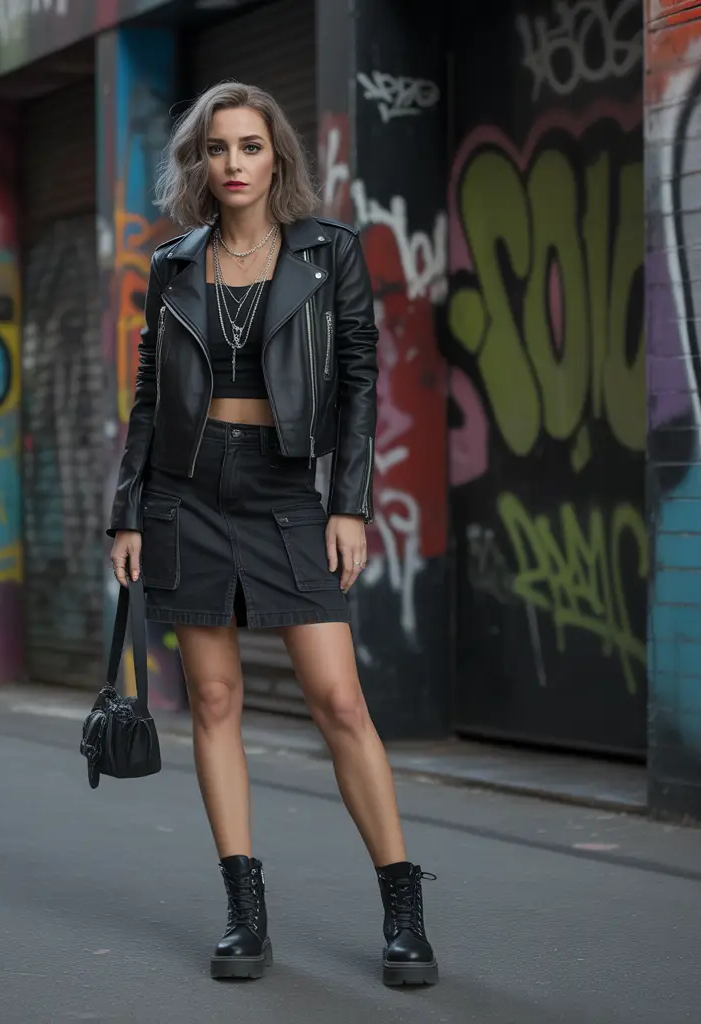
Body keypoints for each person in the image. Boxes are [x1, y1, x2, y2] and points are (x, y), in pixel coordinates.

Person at [107, 81, 438, 988]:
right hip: (187, 491)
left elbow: (363, 381)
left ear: (276, 158)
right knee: (213, 704)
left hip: (290, 491)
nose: (235, 164)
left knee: (340, 701)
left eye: (250, 147)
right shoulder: (175, 264)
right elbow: (148, 397)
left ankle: (402, 905)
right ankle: (243, 909)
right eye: (218, 149)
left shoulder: (329, 254)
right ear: (200, 165)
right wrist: (127, 509)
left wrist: (352, 502)